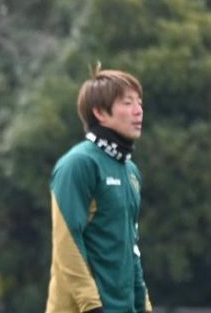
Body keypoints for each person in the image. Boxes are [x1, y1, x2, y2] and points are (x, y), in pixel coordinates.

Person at [46, 64, 153, 313]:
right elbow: (66, 242)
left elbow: (130, 248)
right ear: (100, 113)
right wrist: (91, 305)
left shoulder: (130, 171)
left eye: (139, 102)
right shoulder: (78, 164)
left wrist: (143, 305)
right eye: (127, 103)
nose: (138, 111)